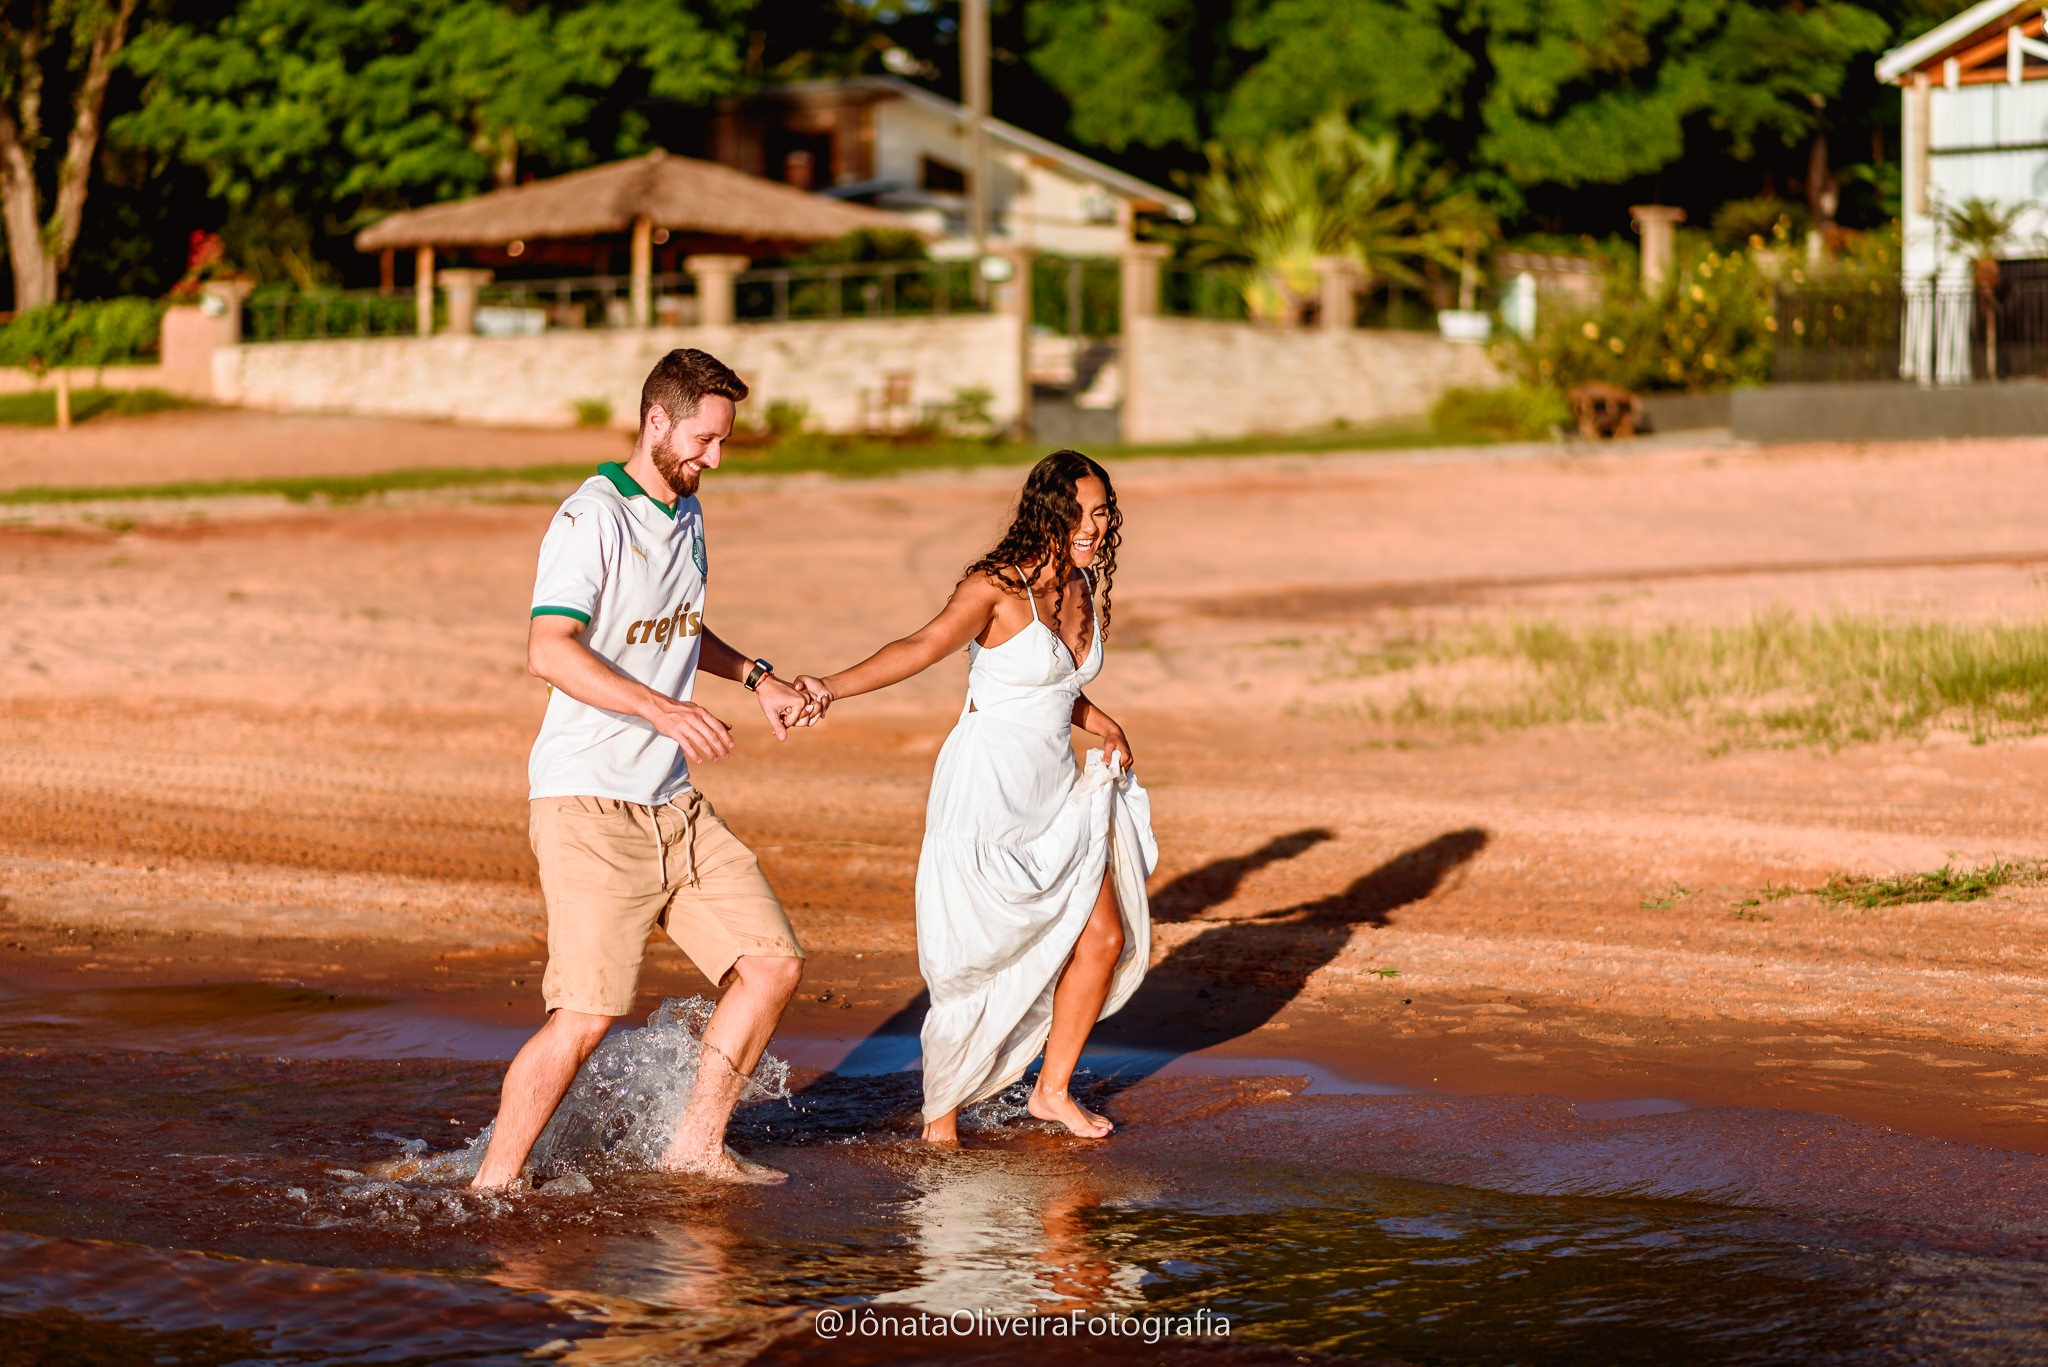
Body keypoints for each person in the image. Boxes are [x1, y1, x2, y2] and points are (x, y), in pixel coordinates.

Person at [469, 348, 815, 1189]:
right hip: (588, 801)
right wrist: (661, 708)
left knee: (772, 963)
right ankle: (491, 1186)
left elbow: (678, 627)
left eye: (723, 441)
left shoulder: (686, 514)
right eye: (704, 439)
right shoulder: (591, 520)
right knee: (585, 1016)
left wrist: (757, 677)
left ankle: (693, 1145)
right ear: (656, 420)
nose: (715, 459)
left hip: (672, 800)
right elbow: (548, 649)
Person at [796, 450, 1155, 1144]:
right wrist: (829, 687)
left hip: (1053, 791)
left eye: (1102, 512)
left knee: (1104, 936)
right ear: (1046, 511)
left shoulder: (1079, 582)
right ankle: (941, 1123)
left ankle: (1050, 1091)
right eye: (1078, 513)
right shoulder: (995, 585)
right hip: (986, 791)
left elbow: (1050, 686)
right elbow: (922, 644)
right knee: (973, 955)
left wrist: (1099, 718)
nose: (1092, 526)